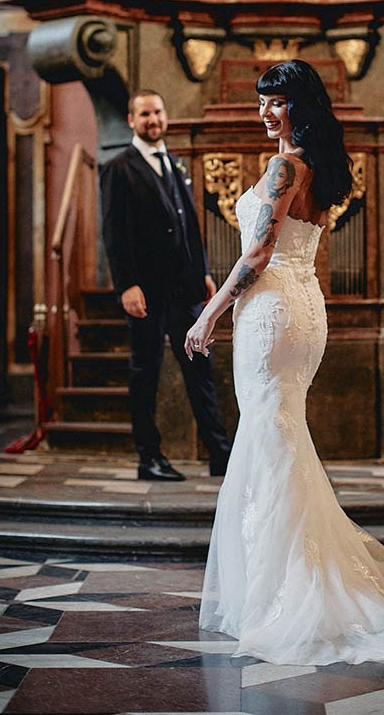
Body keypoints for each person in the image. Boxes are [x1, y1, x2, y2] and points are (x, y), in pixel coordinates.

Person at [185, 60, 384, 665]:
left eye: (275, 102)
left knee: (271, 439)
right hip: (303, 307)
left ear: (300, 105)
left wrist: (210, 312)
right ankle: (285, 581)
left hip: (271, 310)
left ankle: (288, 592)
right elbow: (299, 251)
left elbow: (261, 252)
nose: (265, 113)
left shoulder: (283, 167)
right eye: (261, 102)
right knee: (280, 435)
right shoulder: (322, 169)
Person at [100, 89, 231, 481]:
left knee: (200, 372)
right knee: (147, 373)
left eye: (157, 111)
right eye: (144, 114)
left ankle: (220, 454)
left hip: (185, 289)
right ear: (131, 120)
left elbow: (189, 224)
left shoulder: (175, 164)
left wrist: (203, 271)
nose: (152, 119)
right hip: (146, 292)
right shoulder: (118, 167)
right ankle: (149, 457)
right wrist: (126, 285)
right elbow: (113, 233)